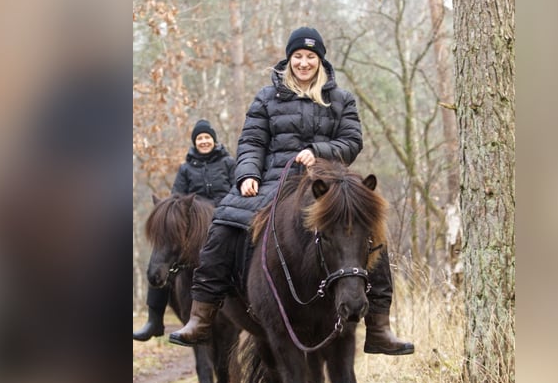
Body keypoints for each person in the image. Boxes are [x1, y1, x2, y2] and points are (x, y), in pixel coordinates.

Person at [169, 27, 413, 356]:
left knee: (370, 230)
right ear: (289, 60)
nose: (303, 62)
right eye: (297, 56)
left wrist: (320, 150)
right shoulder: (266, 98)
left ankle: (379, 327)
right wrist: (247, 174)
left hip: (328, 183)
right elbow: (252, 142)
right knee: (223, 227)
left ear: (320, 61)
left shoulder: (341, 99)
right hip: (273, 181)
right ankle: (202, 316)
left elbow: (352, 142)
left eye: (310, 57)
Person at [133, 119, 236, 341]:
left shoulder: (228, 163)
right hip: (193, 228)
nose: (204, 141)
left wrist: (222, 208)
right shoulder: (186, 168)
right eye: (200, 138)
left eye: (207, 137)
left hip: (224, 219)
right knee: (162, 254)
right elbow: (176, 198)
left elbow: (237, 189)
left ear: (214, 140)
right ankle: (154, 319)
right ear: (195, 143)